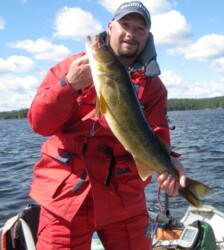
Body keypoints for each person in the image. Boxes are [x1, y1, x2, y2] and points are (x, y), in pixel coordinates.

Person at [28, 1, 186, 249]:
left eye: (140, 29)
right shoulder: (70, 68)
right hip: (67, 196)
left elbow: (155, 135)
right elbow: (39, 123)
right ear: (110, 27)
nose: (131, 33)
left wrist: (170, 162)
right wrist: (68, 86)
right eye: (125, 24)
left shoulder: (154, 88)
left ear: (148, 37)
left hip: (124, 198)